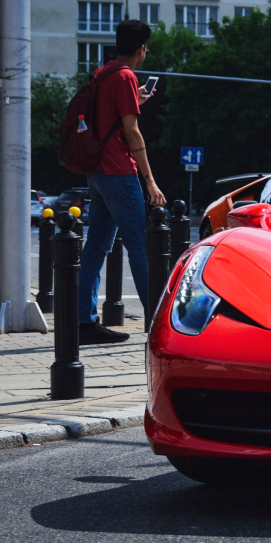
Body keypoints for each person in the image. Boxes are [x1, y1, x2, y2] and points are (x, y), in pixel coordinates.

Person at [77, 20, 166, 345]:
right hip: (119, 172)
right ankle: (158, 325)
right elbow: (131, 132)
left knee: (96, 248)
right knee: (140, 248)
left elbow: (109, 119)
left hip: (97, 173)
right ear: (142, 49)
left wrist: (135, 100)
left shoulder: (103, 74)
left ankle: (83, 322)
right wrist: (151, 181)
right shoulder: (126, 76)